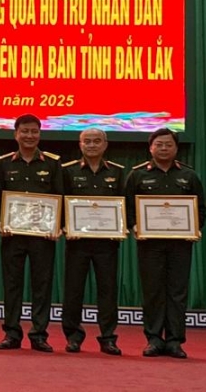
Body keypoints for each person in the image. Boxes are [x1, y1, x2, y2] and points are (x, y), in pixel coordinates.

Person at [125, 127, 205, 358]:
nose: (163, 148)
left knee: (177, 292)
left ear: (176, 148)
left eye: (168, 144)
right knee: (153, 291)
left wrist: (194, 228)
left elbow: (200, 209)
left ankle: (174, 340)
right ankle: (153, 339)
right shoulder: (137, 175)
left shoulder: (189, 176)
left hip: (180, 243)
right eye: (158, 144)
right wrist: (135, 226)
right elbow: (127, 207)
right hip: (149, 244)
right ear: (150, 148)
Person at [0, 114, 62, 352]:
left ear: (40, 134)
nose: (29, 136)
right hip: (12, 236)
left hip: (42, 237)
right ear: (16, 134)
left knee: (41, 286)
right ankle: (11, 333)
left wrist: (57, 226)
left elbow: (59, 197)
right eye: (24, 131)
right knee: (12, 285)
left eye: (34, 131)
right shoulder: (4, 164)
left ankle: (39, 334)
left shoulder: (52, 164)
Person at [60, 127, 126, 355]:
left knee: (108, 291)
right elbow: (60, 203)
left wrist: (121, 226)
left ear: (105, 145)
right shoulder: (68, 171)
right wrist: (65, 226)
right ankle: (73, 337)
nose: (91, 145)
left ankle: (108, 338)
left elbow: (125, 204)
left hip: (107, 243)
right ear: (80, 145)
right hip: (77, 242)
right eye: (87, 141)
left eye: (97, 141)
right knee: (73, 291)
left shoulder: (118, 172)